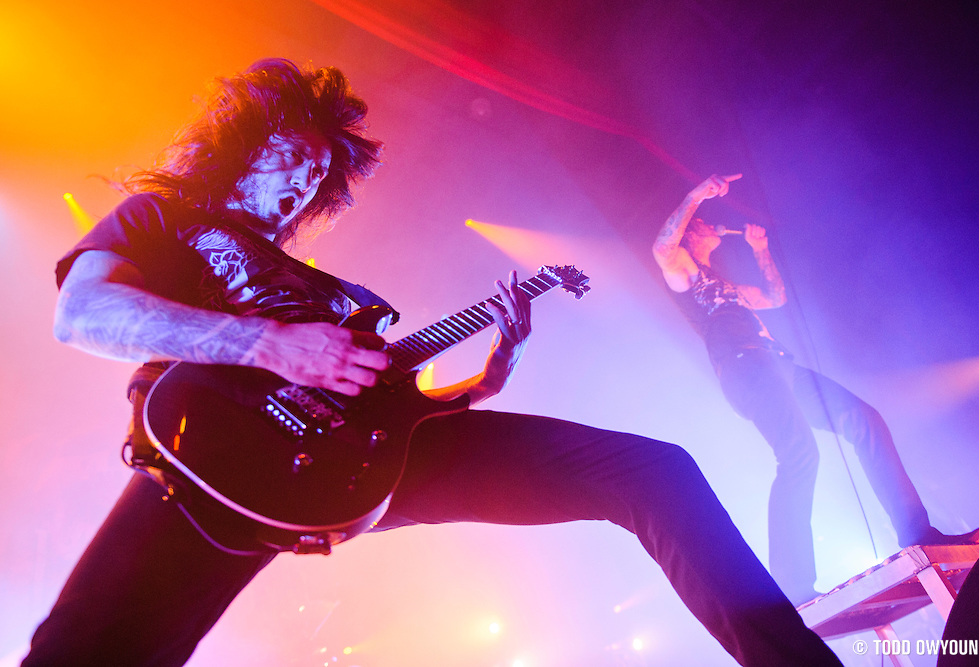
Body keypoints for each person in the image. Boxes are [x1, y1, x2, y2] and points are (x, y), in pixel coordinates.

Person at [23, 61, 842, 667]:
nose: (305, 182)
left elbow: (391, 401)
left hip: (367, 458)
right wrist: (268, 343)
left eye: (319, 174)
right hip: (217, 454)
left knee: (652, 472)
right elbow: (82, 313)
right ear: (244, 146)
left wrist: (480, 382)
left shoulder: (332, 289)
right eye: (292, 156)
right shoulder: (161, 218)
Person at [651, 173, 979, 606]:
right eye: (700, 222)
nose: (708, 224)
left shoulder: (728, 285)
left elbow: (775, 295)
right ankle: (791, 584)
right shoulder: (684, 274)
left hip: (781, 366)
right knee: (799, 454)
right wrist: (697, 195)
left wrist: (760, 249)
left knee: (864, 419)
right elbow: (662, 245)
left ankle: (918, 533)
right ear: (691, 230)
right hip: (746, 369)